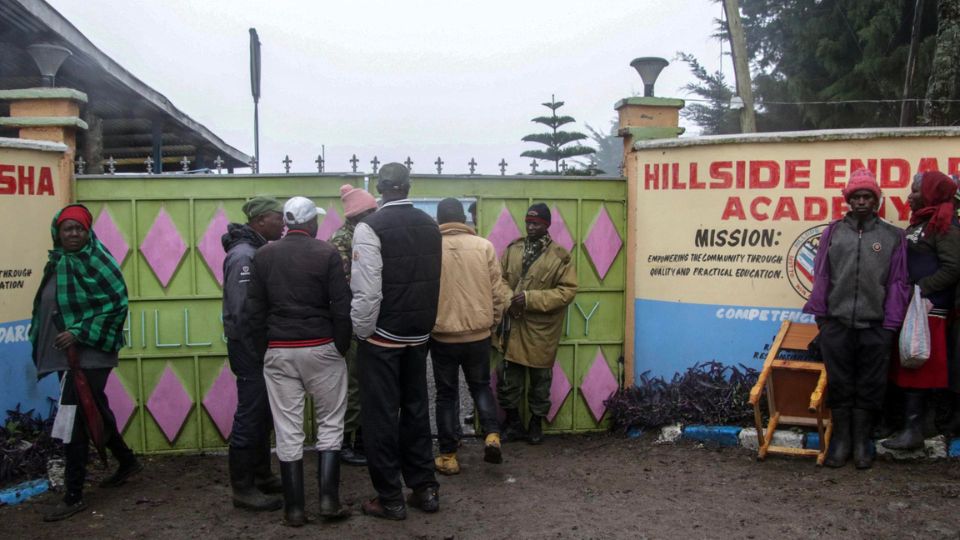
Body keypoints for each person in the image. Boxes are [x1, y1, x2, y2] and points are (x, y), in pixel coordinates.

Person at [29, 204, 141, 522]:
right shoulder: (57, 262)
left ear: (88, 232)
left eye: (79, 229)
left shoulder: (98, 261)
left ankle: (73, 494)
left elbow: (116, 303)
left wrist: (79, 331)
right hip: (66, 354)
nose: (74, 234)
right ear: (58, 233)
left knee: (75, 417)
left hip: (92, 352)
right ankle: (127, 460)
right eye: (68, 229)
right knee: (96, 409)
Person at [246, 197, 352, 526]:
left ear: (288, 223)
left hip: (279, 349)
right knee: (330, 423)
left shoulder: (263, 255)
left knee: (287, 430)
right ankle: (328, 501)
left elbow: (254, 310)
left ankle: (294, 510)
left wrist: (265, 348)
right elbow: (341, 304)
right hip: (321, 347)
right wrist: (341, 346)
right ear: (311, 224)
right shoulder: (327, 253)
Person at [351, 163, 442, 520]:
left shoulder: (369, 228)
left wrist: (362, 331)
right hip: (418, 334)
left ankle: (390, 498)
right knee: (417, 411)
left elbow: (368, 291)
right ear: (408, 186)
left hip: (382, 337)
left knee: (381, 418)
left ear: (379, 187)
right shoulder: (430, 226)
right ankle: (425, 488)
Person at [803, 168, 910, 469]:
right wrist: (822, 319)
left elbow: (898, 283)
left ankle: (863, 443)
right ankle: (841, 442)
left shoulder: (893, 237)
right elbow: (822, 275)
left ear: (876, 200)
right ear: (848, 200)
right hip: (836, 324)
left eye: (868, 196)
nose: (862, 201)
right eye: (857, 196)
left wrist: (890, 325)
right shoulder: (833, 232)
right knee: (840, 383)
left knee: (871, 384)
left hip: (875, 326)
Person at [431, 198, 511, 475]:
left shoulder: (430, 247)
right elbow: (498, 292)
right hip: (479, 333)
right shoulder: (484, 246)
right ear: (464, 219)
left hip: (442, 336)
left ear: (439, 220)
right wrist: (493, 322)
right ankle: (491, 435)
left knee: (446, 394)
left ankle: (448, 455)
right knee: (480, 386)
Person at [884, 171, 960, 450]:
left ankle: (914, 430)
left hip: (929, 311)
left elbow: (953, 267)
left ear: (930, 193)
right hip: (911, 307)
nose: (909, 196)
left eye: (915, 191)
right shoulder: (923, 222)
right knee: (906, 364)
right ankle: (904, 424)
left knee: (919, 366)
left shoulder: (946, 226)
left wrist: (922, 288)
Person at [221, 196, 285, 511]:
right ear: (259, 221)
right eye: (278, 217)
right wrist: (257, 351)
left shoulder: (257, 250)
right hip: (250, 349)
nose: (283, 223)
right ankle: (243, 488)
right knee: (250, 415)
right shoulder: (244, 257)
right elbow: (242, 311)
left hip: (257, 347)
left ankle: (262, 475)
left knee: (262, 414)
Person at [496, 203, 578, 444]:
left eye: (536, 224)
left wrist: (531, 299)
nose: (531, 227)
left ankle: (535, 423)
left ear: (546, 225)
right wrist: (510, 299)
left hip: (541, 329)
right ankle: (513, 423)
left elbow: (567, 291)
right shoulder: (513, 249)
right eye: (528, 223)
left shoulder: (560, 256)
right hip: (513, 324)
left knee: (540, 381)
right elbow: (499, 279)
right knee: (508, 378)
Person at [330, 184, 378, 466]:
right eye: (372, 211)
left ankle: (361, 440)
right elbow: (347, 283)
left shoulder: (362, 234)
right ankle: (346, 443)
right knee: (353, 385)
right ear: (359, 214)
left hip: (363, 319)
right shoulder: (342, 240)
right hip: (350, 321)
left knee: (365, 383)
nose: (376, 215)